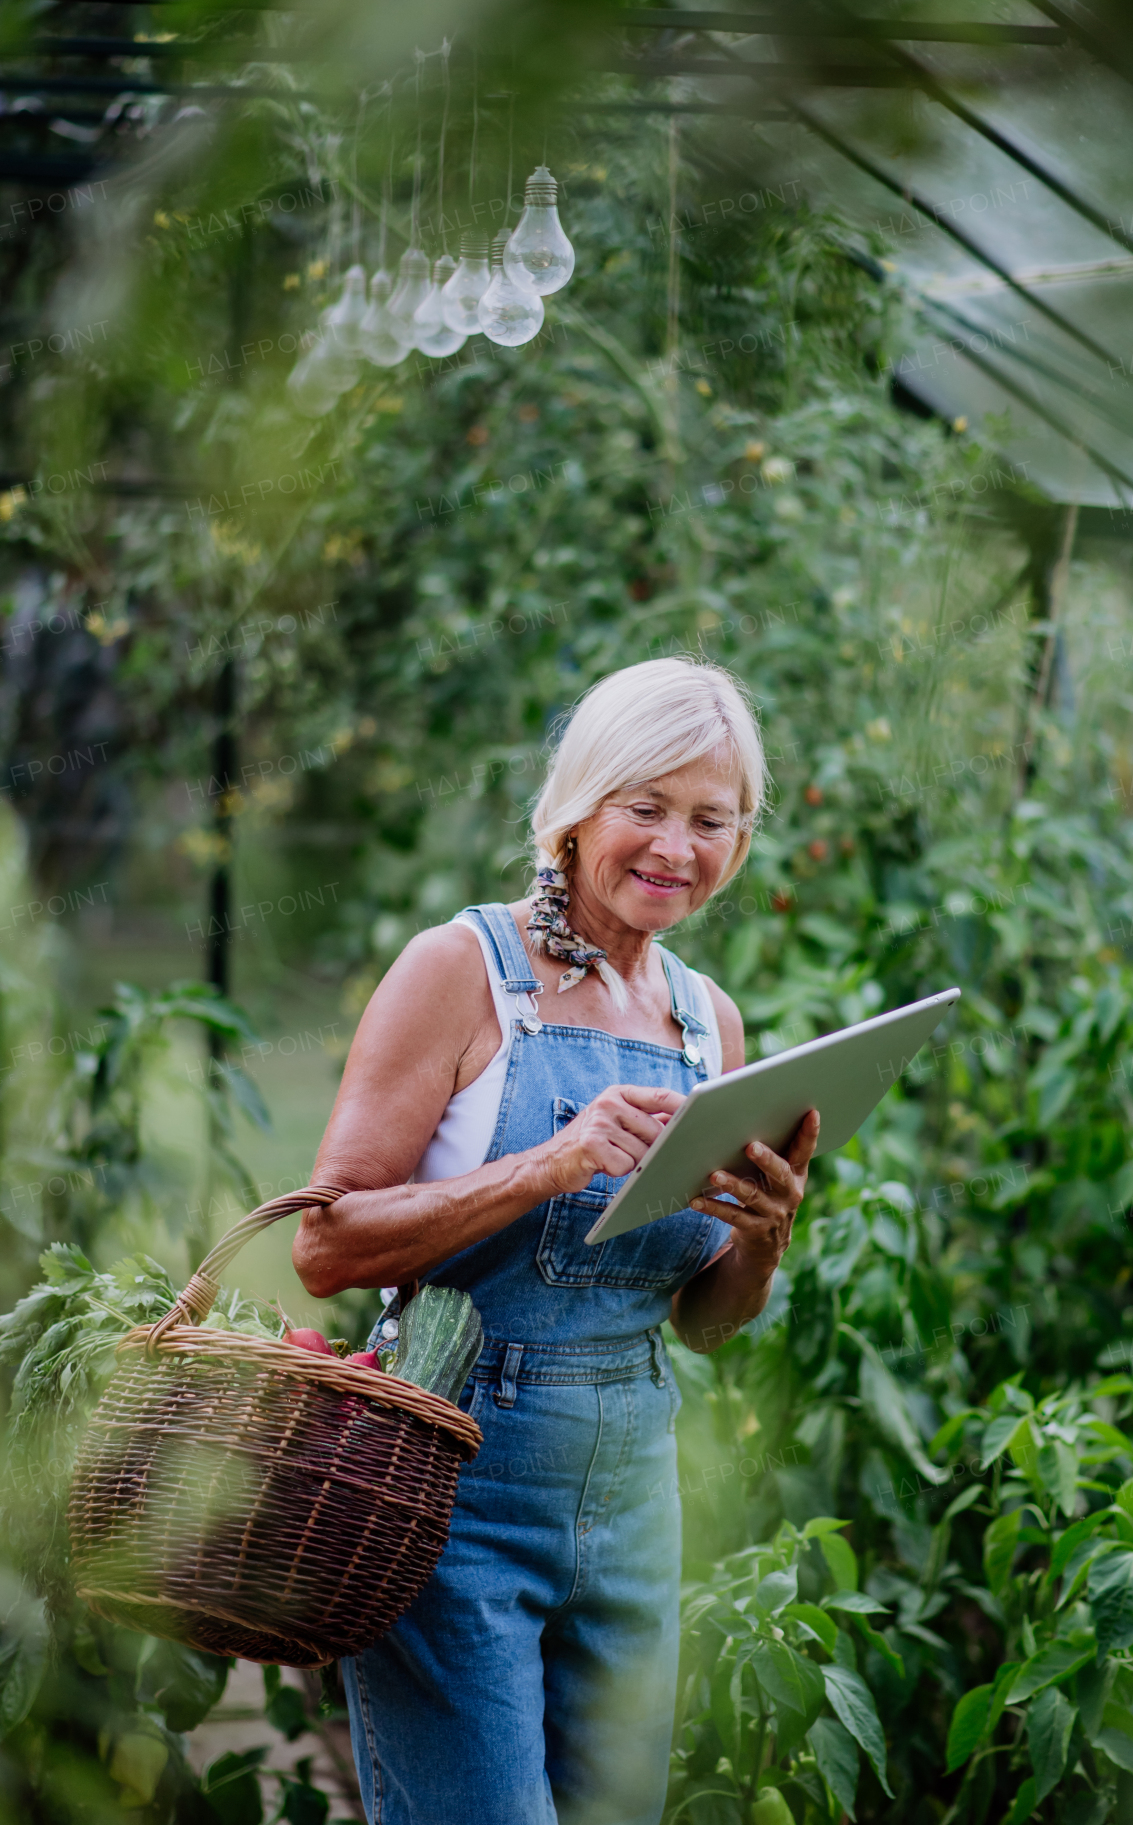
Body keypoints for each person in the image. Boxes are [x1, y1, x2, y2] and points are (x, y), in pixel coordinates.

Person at [293, 657, 818, 1825]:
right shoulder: (459, 970)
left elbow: (703, 1324)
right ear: (578, 809)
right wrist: (551, 1162)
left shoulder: (704, 1022)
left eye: (710, 820)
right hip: (457, 1478)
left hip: (636, 1487)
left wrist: (762, 1235)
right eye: (645, 807)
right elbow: (324, 1246)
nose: (674, 849)